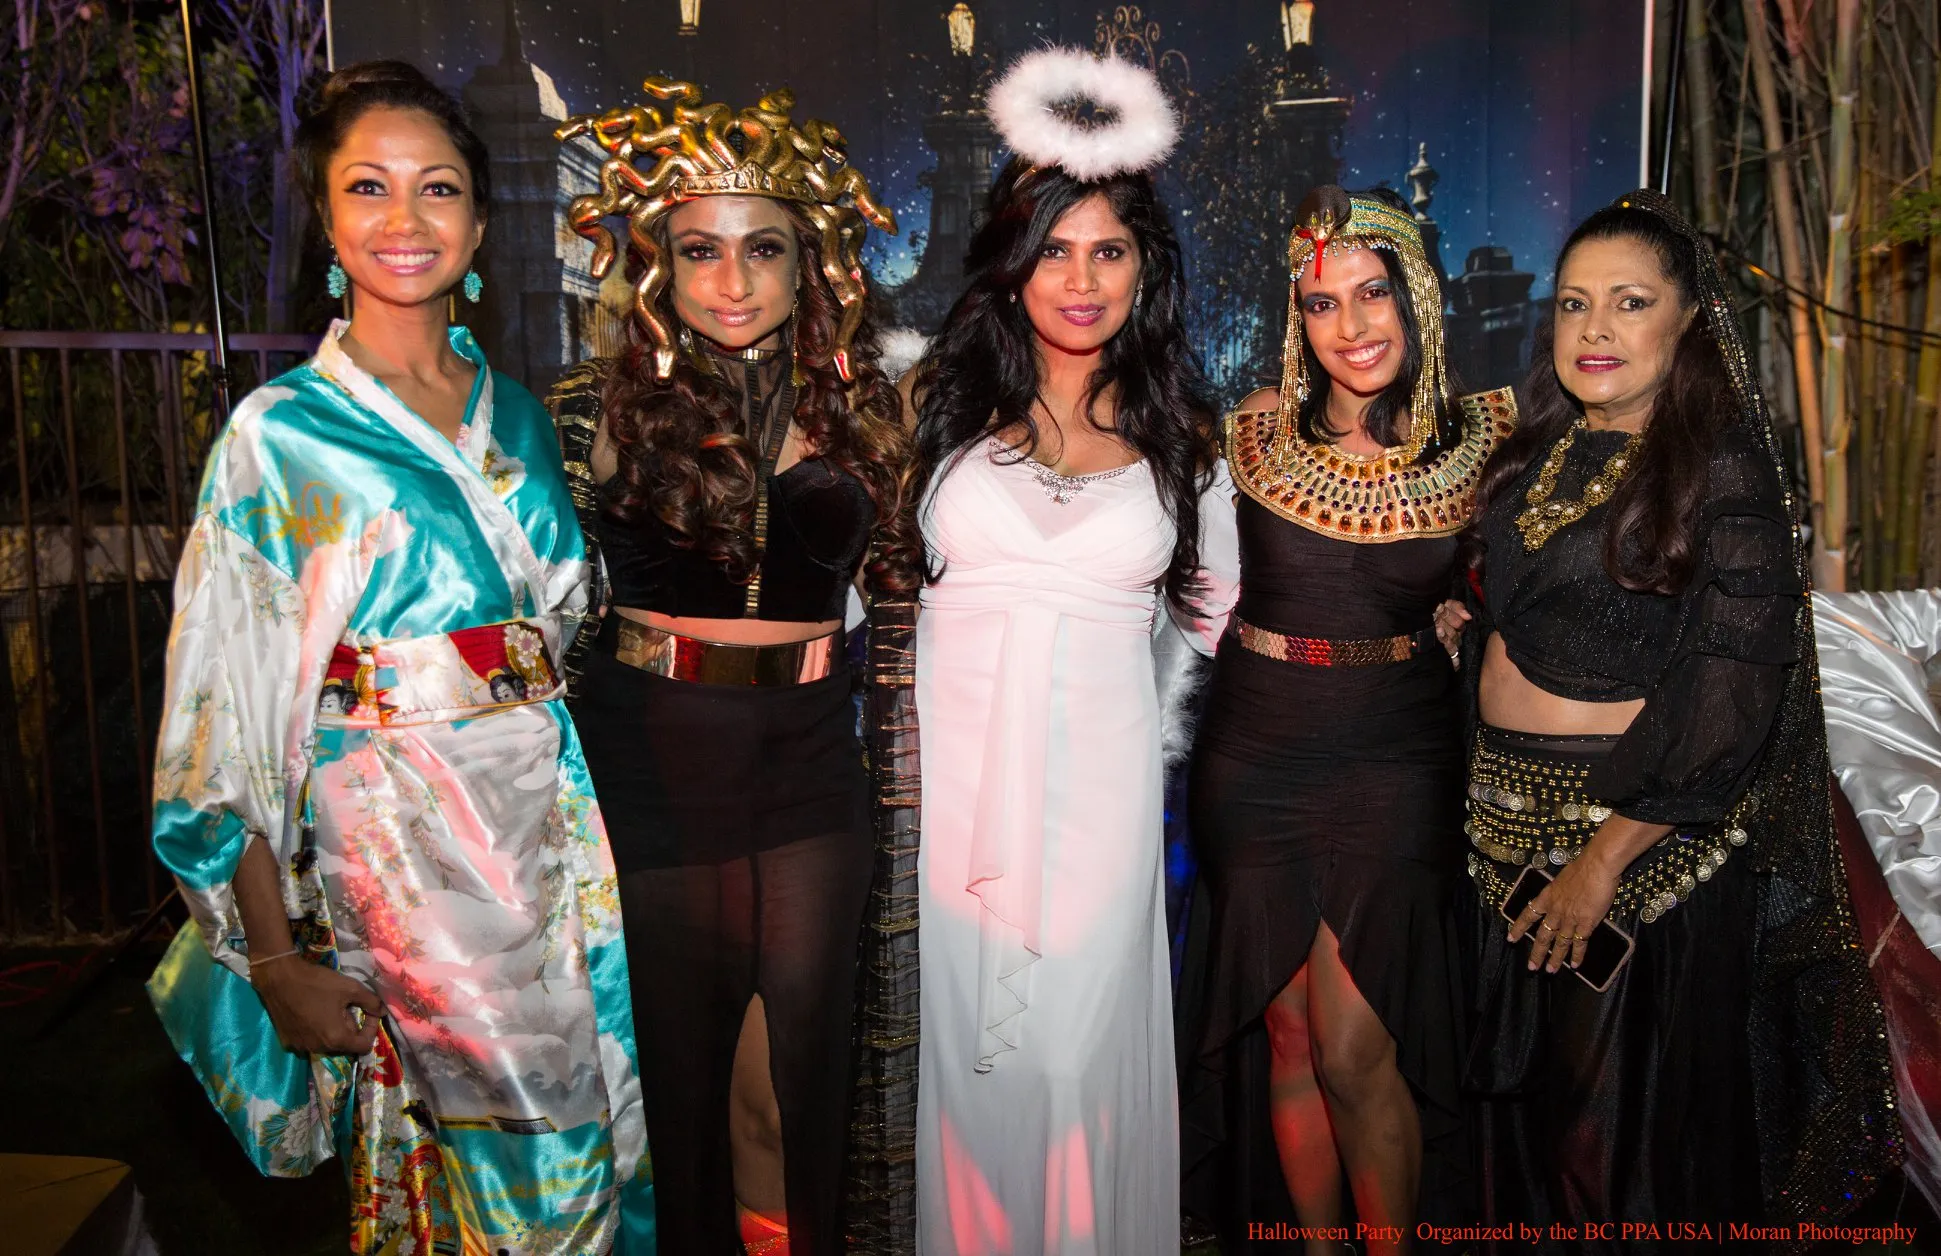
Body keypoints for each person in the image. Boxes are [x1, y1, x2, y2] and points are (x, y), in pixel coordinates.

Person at [144, 61, 650, 1255]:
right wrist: (276, 957)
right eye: (368, 186)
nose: (405, 218)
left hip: (550, 839)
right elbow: (222, 722)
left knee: (586, 1148)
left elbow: (557, 627)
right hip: (399, 862)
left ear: (479, 222)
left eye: (438, 188)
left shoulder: (517, 414)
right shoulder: (279, 438)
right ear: (326, 220)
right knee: (484, 1180)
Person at [1436, 189, 1900, 1246]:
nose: (1594, 328)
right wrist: (1469, 629)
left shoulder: (1719, 469)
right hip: (1500, 840)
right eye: (1574, 303)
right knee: (1523, 1142)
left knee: (1613, 1150)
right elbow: (1550, 615)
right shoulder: (1537, 452)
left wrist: (1604, 858)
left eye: (1630, 301)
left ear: (1686, 320)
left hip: (1637, 855)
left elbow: (1735, 681)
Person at [546, 79, 918, 1256]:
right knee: (681, 1090)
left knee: (790, 1090)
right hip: (653, 762)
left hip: (809, 769)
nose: (732, 279)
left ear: (812, 266)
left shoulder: (866, 410)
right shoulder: (595, 408)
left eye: (764, 248)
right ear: (656, 265)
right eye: (698, 248)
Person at [905, 47, 1239, 1254]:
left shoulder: (1185, 439)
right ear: (1012, 262)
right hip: (953, 797)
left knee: (1071, 1057)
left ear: (1146, 269)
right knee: (972, 1062)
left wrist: (1137, 724)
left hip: (1099, 803)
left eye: (1110, 251)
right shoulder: (936, 409)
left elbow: (1212, 610)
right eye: (1054, 249)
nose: (1082, 279)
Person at [1179, 185, 1515, 1253]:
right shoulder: (1251, 433)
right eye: (1321, 304)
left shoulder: (1486, 441)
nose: (1351, 325)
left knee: (1355, 1045)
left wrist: (1469, 621)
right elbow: (1188, 587)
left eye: (1374, 293)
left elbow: (1527, 595)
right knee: (1286, 1034)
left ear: (1416, 296)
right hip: (1255, 750)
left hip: (1394, 756)